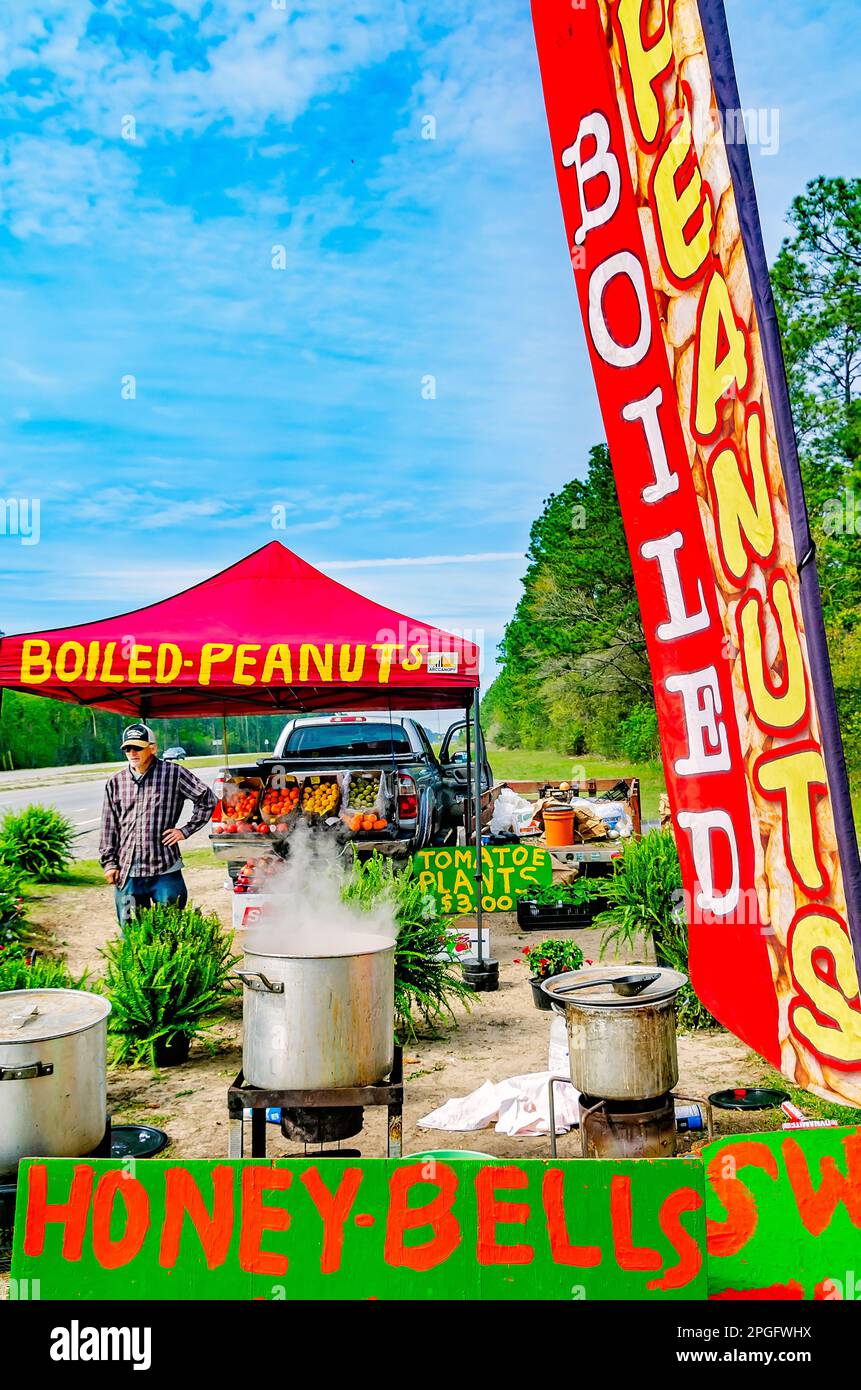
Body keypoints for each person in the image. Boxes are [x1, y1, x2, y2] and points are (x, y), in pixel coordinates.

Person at [100, 722, 216, 927]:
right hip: (128, 874)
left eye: (137, 747)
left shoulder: (174, 774)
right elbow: (109, 827)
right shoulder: (116, 782)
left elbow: (207, 799)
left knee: (170, 930)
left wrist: (185, 830)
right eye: (127, 748)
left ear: (152, 748)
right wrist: (109, 863)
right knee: (132, 934)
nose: (132, 752)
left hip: (165, 870)